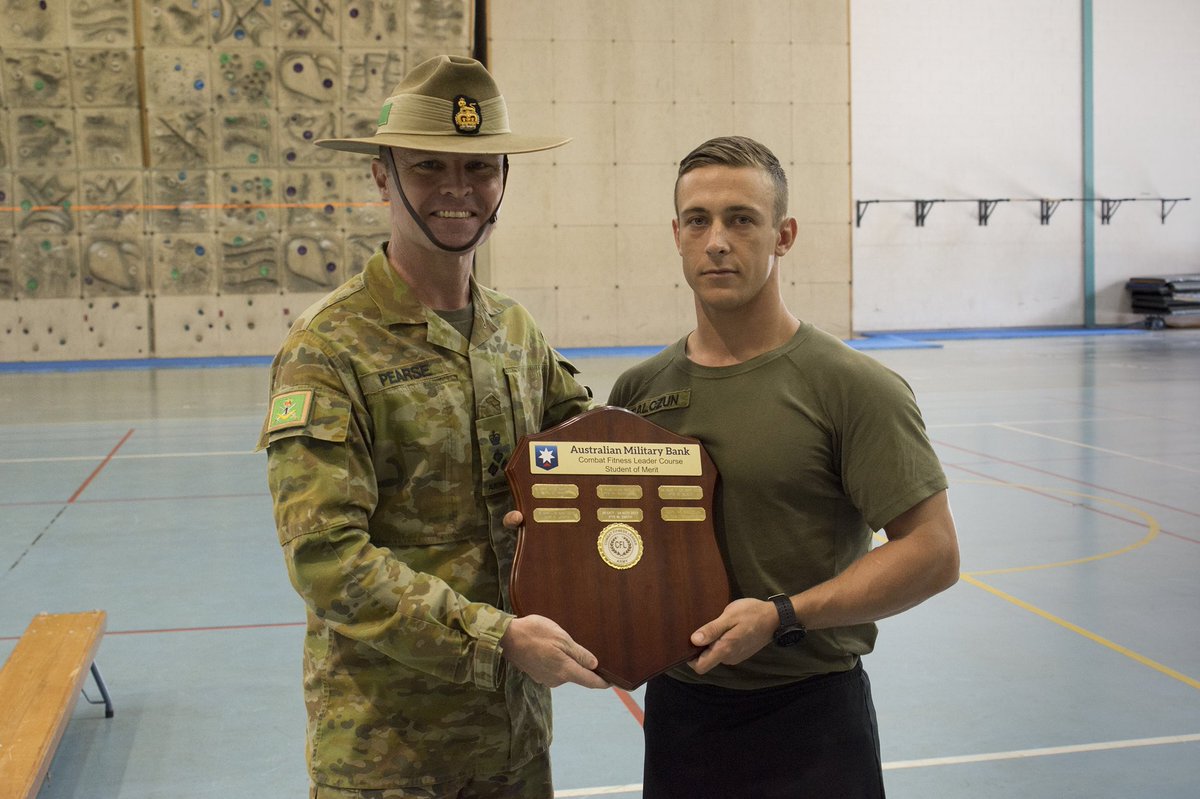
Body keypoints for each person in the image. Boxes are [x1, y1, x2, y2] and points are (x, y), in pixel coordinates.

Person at [257, 55, 608, 799]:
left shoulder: (515, 332)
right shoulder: (329, 346)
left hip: (515, 744)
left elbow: (585, 463)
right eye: (428, 166)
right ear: (382, 177)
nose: (458, 188)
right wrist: (499, 639)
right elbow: (326, 561)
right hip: (388, 756)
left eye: (480, 167)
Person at [607, 135, 961, 798]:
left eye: (742, 219)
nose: (717, 240)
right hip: (682, 718)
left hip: (812, 720)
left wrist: (782, 614)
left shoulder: (852, 386)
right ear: (677, 234)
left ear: (783, 234)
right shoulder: (639, 391)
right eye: (698, 220)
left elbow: (934, 551)